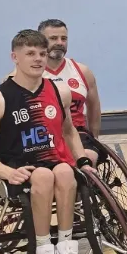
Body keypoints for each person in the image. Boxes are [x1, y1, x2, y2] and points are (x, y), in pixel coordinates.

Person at [0, 30, 96, 254]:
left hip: (52, 159)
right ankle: (43, 251)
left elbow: (69, 131)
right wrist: (7, 173)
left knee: (65, 171)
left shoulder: (59, 91)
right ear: (15, 57)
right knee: (42, 176)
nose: (38, 59)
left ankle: (66, 248)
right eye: (30, 53)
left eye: (42, 53)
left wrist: (82, 159)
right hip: (17, 167)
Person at [37, 19, 103, 164]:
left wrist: (95, 137)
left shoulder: (82, 71)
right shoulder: (29, 74)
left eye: (64, 38)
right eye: (53, 38)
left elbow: (94, 106)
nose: (60, 42)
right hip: (43, 136)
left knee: (89, 155)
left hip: (77, 132)